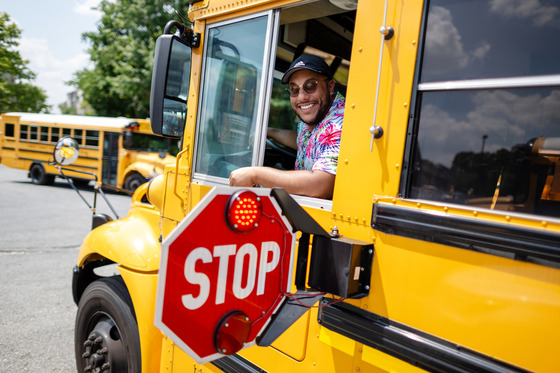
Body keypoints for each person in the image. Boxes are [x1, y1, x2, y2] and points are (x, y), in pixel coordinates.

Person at [229, 54, 345, 199]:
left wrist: (255, 174)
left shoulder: (339, 121)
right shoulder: (316, 112)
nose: (302, 97)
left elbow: (321, 185)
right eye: (294, 89)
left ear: (330, 86)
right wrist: (269, 132)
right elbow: (305, 140)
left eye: (310, 86)